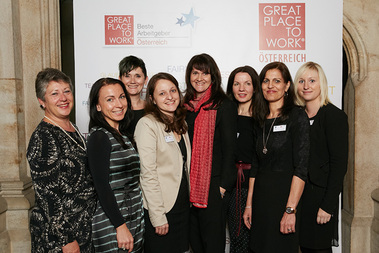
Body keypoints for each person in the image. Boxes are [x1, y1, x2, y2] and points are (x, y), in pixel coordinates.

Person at [27, 68, 96, 252]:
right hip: (60, 239)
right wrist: (66, 239)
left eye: (66, 91)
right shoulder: (43, 137)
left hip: (82, 228)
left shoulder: (71, 127)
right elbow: (48, 196)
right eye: (54, 93)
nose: (63, 98)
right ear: (42, 101)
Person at [243, 62, 310, 253]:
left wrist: (290, 210)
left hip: (285, 198)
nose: (270, 85)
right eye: (266, 81)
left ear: (287, 85)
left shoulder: (297, 116)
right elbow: (255, 165)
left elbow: (302, 167)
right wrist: (249, 205)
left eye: (276, 81)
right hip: (261, 199)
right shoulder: (259, 118)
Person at [184, 53, 238, 253]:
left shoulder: (224, 106)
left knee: (213, 245)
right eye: (195, 72)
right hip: (188, 188)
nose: (199, 78)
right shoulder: (185, 107)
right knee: (195, 244)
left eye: (205, 73)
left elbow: (230, 149)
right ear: (189, 75)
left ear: (213, 77)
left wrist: (222, 187)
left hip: (214, 187)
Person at [294, 62, 348, 253]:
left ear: (321, 84)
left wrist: (328, 205)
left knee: (318, 249)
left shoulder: (334, 116)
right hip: (298, 198)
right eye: (301, 81)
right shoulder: (296, 116)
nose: (306, 86)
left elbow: (339, 165)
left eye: (311, 81)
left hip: (321, 198)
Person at [134, 72, 191, 253]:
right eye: (162, 93)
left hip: (182, 206)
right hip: (163, 209)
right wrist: (158, 216)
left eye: (173, 90)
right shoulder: (147, 124)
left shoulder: (181, 124)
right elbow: (147, 173)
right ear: (152, 98)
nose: (170, 97)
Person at [87, 78, 144, 253]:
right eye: (110, 99)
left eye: (121, 97)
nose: (118, 104)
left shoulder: (123, 135)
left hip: (134, 215)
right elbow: (101, 186)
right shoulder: (99, 137)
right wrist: (120, 226)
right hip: (113, 221)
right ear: (98, 106)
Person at [225, 66, 259, 253]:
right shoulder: (226, 115)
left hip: (252, 188)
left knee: (251, 241)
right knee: (237, 241)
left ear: (255, 87)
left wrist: (250, 200)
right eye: (237, 84)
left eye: (247, 83)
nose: (242, 88)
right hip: (229, 186)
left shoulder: (262, 117)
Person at [119, 55, 148, 135]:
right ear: (120, 79)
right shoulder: (115, 109)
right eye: (127, 76)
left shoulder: (152, 108)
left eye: (137, 76)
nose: (132, 81)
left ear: (145, 80)